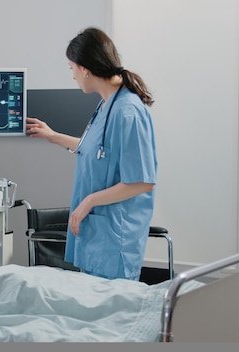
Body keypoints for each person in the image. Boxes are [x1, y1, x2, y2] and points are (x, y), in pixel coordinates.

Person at [26, 27, 157, 281]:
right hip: (99, 234)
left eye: (72, 68)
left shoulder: (127, 111)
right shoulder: (106, 103)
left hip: (114, 236)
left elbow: (142, 181)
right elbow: (98, 150)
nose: (73, 76)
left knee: (111, 312)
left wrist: (89, 201)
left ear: (85, 68)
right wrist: (53, 137)